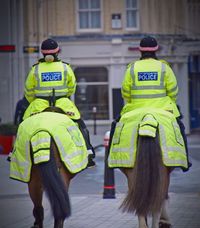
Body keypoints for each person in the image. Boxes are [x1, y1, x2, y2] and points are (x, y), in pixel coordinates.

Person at [110, 36, 191, 169]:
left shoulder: (132, 68)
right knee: (180, 129)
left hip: (135, 109)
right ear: (156, 50)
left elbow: (125, 93)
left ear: (140, 51)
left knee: (116, 128)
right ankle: (185, 160)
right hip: (163, 110)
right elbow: (173, 91)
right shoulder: (164, 68)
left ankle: (112, 158)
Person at [22, 38, 95, 167]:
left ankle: (16, 153)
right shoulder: (65, 68)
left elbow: (28, 91)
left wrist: (35, 101)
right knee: (80, 125)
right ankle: (88, 152)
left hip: (39, 104)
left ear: (43, 53)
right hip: (62, 103)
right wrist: (63, 97)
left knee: (23, 127)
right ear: (57, 52)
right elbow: (72, 88)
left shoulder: (35, 69)